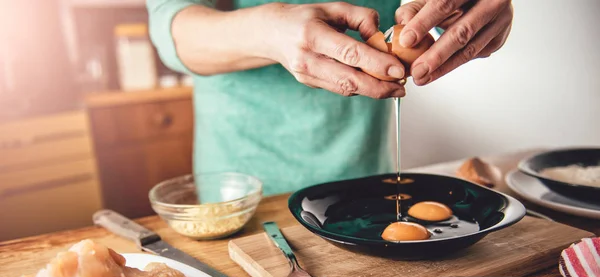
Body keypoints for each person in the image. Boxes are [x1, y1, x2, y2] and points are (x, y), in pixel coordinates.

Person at [147, 0, 513, 195]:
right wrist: (268, 31)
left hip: (366, 176)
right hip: (245, 191)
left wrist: (478, 9)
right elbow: (174, 28)